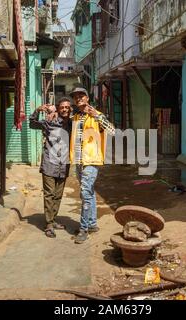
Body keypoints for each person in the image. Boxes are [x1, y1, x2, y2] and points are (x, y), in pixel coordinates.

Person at [69, 86, 115, 244]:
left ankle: (83, 229)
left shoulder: (97, 115)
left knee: (85, 193)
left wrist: (98, 116)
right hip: (79, 161)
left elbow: (112, 131)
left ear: (87, 98)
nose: (78, 98)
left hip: (92, 160)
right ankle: (92, 224)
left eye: (81, 95)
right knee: (89, 192)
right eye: (76, 97)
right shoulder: (75, 117)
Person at [29, 97, 72, 238]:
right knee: (49, 194)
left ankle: (53, 220)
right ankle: (48, 224)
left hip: (64, 165)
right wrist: (38, 110)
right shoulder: (50, 122)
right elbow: (32, 123)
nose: (65, 109)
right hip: (49, 164)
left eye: (67, 107)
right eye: (62, 107)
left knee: (58, 196)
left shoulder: (72, 124)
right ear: (58, 109)